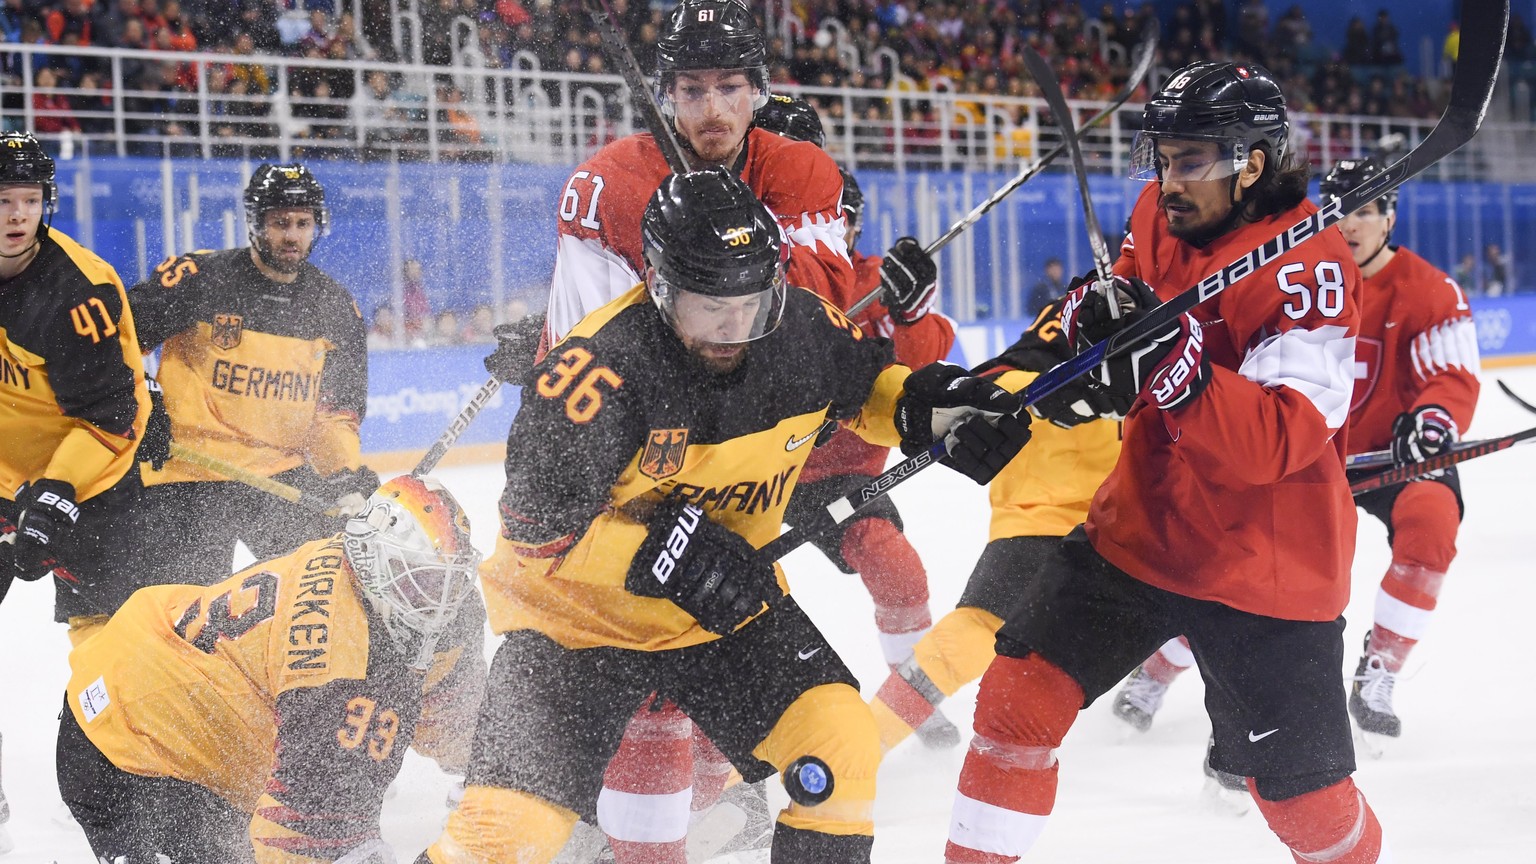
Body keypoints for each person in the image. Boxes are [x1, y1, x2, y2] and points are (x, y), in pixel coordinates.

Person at [424, 168, 1031, 864]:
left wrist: (934, 407)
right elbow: (536, 536)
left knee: (840, 744)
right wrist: (670, 559)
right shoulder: (593, 373)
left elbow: (867, 387)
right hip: (573, 629)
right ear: (657, 283)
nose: (735, 325)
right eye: (710, 305)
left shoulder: (800, 326)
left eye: (753, 300)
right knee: (502, 839)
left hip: (722, 611)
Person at [944, 62, 1391, 863]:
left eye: (1189, 160)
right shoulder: (1160, 210)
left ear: (1252, 163)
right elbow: (1123, 299)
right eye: (1162, 157)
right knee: (1016, 700)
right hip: (1143, 529)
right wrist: (1074, 338)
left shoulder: (1312, 273)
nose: (1167, 178)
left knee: (1307, 808)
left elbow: (1283, 440)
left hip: (1266, 564)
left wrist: (1176, 371)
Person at [1110, 150, 1482, 760]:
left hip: (1391, 453)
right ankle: (1157, 670)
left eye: (1366, 211)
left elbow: (1449, 374)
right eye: (1339, 211)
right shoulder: (1298, 268)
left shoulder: (1430, 291)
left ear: (1390, 220)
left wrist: (1433, 424)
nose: (1351, 225)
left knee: (1431, 528)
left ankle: (1381, 665)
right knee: (1229, 560)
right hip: (1300, 458)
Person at [58, 475, 488, 863]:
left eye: (444, 580)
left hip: (164, 679)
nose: (438, 600)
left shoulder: (404, 603)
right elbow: (299, 838)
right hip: (131, 742)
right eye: (418, 578)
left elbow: (451, 717)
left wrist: (503, 776)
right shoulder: (332, 660)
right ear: (376, 564)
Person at [868, 296, 1122, 753]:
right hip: (1064, 489)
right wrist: (1046, 388)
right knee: (975, 632)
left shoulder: (1136, 286)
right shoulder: (1115, 292)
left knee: (973, 632)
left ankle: (856, 745)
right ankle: (852, 748)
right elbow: (994, 374)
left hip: (1096, 491)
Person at [127, 163, 376, 589]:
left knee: (332, 591)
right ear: (256, 224)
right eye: (280, 223)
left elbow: (335, 414)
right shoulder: (199, 278)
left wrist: (343, 476)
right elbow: (116, 340)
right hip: (189, 473)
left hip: (277, 473)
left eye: (303, 223)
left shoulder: (335, 306)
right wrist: (141, 402)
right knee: (188, 617)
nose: (292, 236)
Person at [0, 130, 153, 631]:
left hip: (93, 476)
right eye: (3, 200)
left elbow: (107, 419)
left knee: (110, 638)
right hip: (7, 471)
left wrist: (53, 492)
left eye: (30, 199)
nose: (18, 214)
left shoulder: (77, 291)